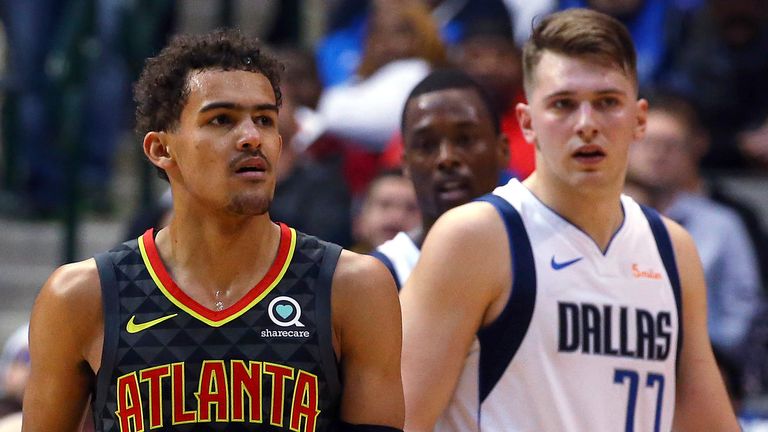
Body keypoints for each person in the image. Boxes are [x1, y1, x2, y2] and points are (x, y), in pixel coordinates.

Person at [22, 30, 404, 432]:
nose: (252, 137)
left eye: (264, 119)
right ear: (160, 149)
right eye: (222, 120)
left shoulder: (352, 287)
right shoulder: (83, 296)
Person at [400, 8, 739, 431]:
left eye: (607, 103)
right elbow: (399, 418)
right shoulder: (476, 237)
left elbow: (706, 422)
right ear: (527, 122)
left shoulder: (672, 248)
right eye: (563, 104)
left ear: (639, 119)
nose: (586, 125)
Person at [371, 68, 509, 289]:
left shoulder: (543, 251)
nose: (446, 159)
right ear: (405, 163)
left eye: (465, 140)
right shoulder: (380, 277)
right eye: (427, 145)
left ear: (502, 150)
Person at [351, 169, 422, 254]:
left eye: (411, 208)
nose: (396, 217)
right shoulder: (337, 265)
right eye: (385, 205)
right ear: (360, 219)